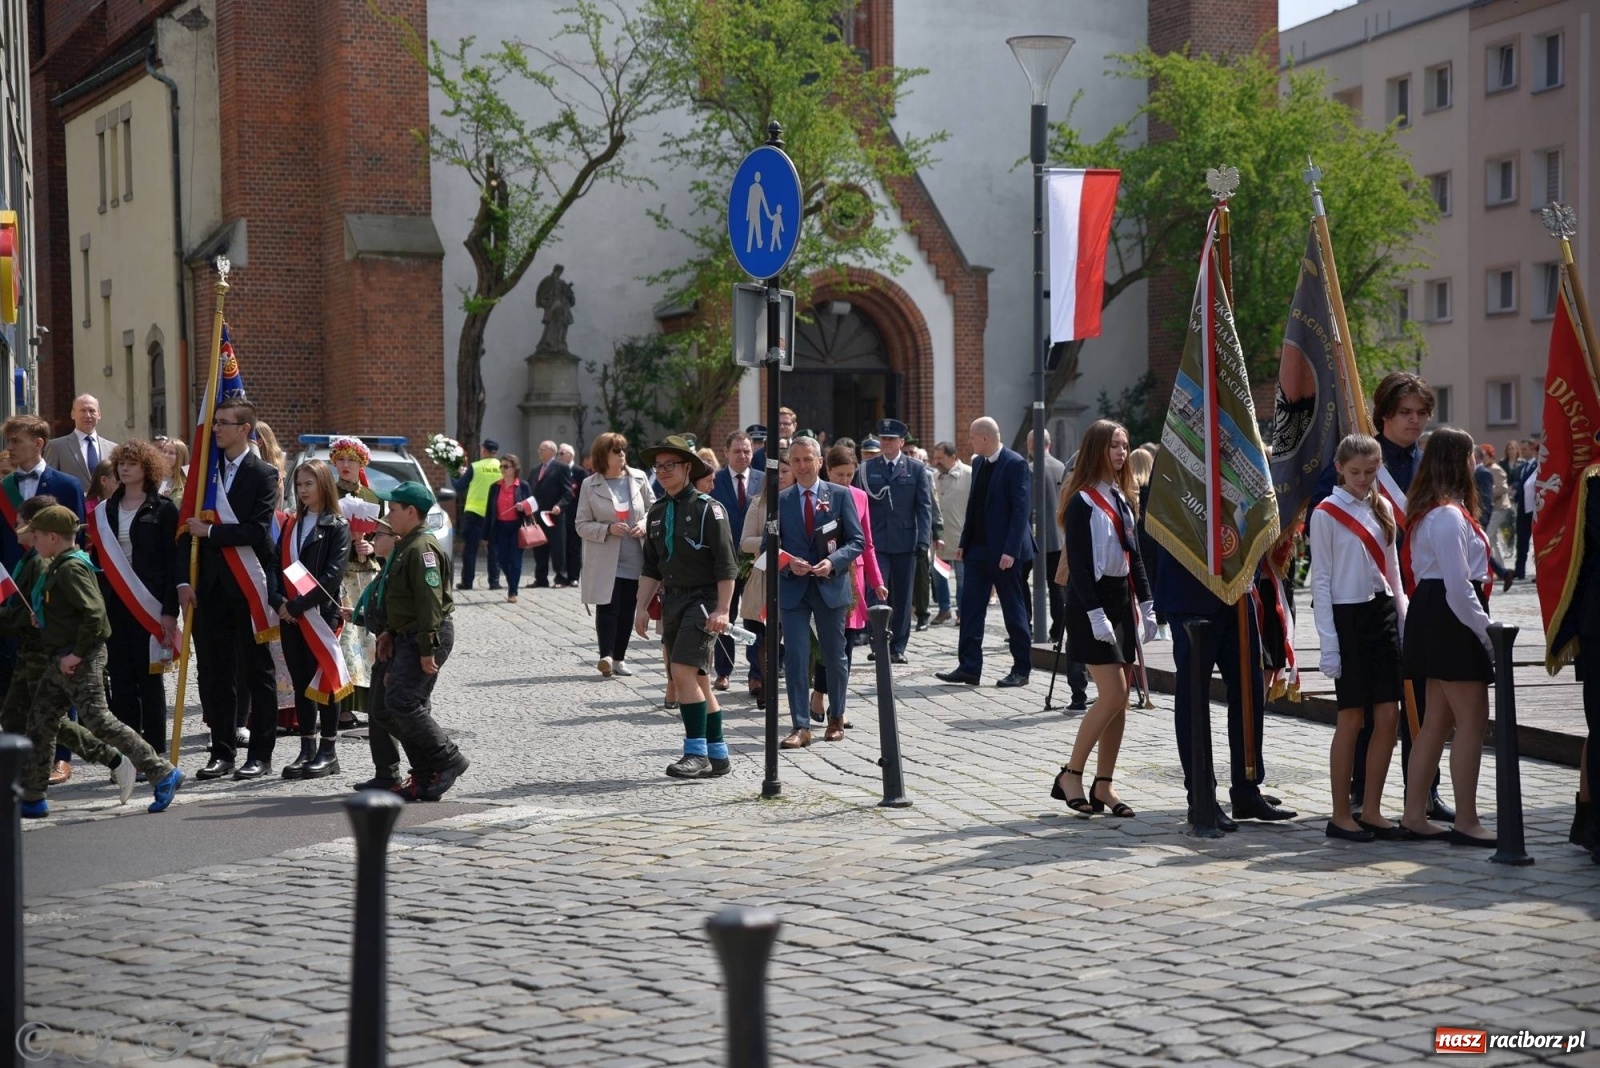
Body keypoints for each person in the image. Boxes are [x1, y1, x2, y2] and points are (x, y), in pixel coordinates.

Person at [1311, 371, 1451, 823]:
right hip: (1360, 605)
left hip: (1415, 595)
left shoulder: (1431, 463)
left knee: (1422, 703)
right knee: (1362, 713)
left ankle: (1423, 792)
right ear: (1385, 415)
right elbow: (1325, 567)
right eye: (1405, 413)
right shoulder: (1363, 462)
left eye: (1421, 414)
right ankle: (1357, 798)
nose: (1414, 422)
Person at [15, 504, 184, 818]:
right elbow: (71, 611)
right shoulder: (59, 564)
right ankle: (33, 796)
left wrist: (76, 655)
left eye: (36, 536)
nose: (32, 541)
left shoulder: (71, 568)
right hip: (62, 657)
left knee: (100, 721)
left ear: (52, 537)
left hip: (81, 658)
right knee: (40, 721)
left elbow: (95, 616)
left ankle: (162, 772)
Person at [1, 495, 140, 811]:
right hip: (28, 652)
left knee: (50, 719)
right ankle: (20, 777)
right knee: (14, 714)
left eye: (22, 523)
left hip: (43, 652)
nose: (17, 528)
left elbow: (35, 614)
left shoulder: (43, 562)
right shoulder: (29, 559)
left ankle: (113, 757)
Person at [1398, 427, 1497, 845]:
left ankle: (1414, 813)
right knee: (1472, 720)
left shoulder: (1435, 513)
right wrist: (1490, 636)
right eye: (1471, 456)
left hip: (1436, 611)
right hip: (1451, 614)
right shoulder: (1449, 516)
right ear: (1460, 460)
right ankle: (1467, 819)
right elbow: (1459, 587)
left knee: (1437, 720)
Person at [1048, 419, 1152, 817]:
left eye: (1125, 445)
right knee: (1113, 694)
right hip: (1089, 602)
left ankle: (1104, 784)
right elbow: (1080, 562)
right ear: (1097, 450)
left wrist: (1147, 603)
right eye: (1113, 446)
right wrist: (1094, 613)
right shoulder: (1083, 501)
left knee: (1120, 702)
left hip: (1120, 599)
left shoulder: (1122, 498)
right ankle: (1070, 774)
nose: (1121, 453)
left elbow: (1134, 555)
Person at [178, 399, 282, 780]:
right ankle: (221, 752)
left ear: (245, 430)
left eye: (224, 423)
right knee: (214, 674)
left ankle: (260, 755)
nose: (216, 429)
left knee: (257, 672)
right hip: (209, 588)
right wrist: (184, 582)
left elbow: (257, 531)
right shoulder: (203, 474)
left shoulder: (264, 474)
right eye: (215, 422)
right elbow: (184, 530)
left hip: (249, 584)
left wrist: (213, 532)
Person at [1311, 434, 1408, 842]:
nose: (1363, 479)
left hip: (1382, 611)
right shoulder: (1326, 513)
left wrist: (1403, 621)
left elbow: (1394, 571)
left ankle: (1372, 808)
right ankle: (1340, 814)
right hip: (1348, 617)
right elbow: (1321, 581)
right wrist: (1328, 643)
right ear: (1340, 468)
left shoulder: (1383, 506)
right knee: (1351, 718)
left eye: (1370, 472)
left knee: (1389, 715)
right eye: (1355, 473)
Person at [632, 436, 738, 778]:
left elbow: (726, 565)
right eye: (658, 466)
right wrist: (641, 607)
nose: (662, 472)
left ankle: (696, 753)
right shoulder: (658, 512)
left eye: (670, 465)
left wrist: (723, 609)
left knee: (681, 674)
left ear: (687, 468)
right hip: (673, 599)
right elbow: (652, 566)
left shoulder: (710, 509)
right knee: (698, 680)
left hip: (704, 601)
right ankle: (717, 753)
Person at [366, 481, 469, 800]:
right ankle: (425, 772)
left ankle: (447, 758)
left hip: (426, 634)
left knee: (403, 701)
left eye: (394, 510)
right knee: (386, 707)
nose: (388, 515)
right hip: (407, 634)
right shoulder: (407, 544)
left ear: (411, 512)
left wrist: (427, 648)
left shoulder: (421, 548)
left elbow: (429, 603)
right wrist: (389, 632)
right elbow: (403, 601)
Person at [2, 415, 88, 786]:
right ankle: (20, 754)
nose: (10, 448)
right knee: (13, 678)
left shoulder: (67, 485)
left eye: (17, 440)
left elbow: (77, 539)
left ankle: (61, 759)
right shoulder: (4, 486)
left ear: (39, 443)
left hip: (52, 591)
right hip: (13, 590)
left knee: (57, 676)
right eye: (8, 441)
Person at [90, 439, 180, 758]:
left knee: (150, 681)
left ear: (148, 469)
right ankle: (130, 753)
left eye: (132, 463)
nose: (124, 468)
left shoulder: (165, 509)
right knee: (122, 682)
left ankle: (154, 753)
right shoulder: (105, 510)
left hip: (150, 606)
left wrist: (170, 610)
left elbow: (174, 564)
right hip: (114, 605)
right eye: (121, 463)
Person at [775, 437, 865, 748]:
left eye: (807, 460)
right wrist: (788, 563)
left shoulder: (839, 495)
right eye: (795, 460)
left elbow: (856, 541)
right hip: (794, 589)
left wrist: (832, 561)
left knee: (835, 656)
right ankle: (800, 725)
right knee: (797, 656)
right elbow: (766, 547)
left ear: (819, 462)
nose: (801, 466)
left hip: (830, 586)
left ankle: (836, 717)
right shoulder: (781, 500)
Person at [936, 417, 1033, 688]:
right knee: (970, 607)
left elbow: (1021, 511)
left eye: (972, 437)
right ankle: (969, 667)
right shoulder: (978, 463)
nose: (969, 442)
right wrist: (965, 542)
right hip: (978, 550)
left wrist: (1010, 550)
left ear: (986, 439)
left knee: (1014, 610)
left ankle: (1021, 668)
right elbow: (974, 506)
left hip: (1005, 552)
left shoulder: (1015, 464)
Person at [273, 459, 352, 780]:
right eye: (299, 485)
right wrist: (278, 601)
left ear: (324, 486)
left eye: (310, 484)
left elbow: (332, 576)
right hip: (290, 616)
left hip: (319, 615)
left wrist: (298, 605)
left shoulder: (337, 526)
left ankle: (328, 751)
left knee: (324, 682)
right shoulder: (291, 524)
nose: (304, 490)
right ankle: (306, 748)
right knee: (301, 682)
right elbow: (274, 567)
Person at [806, 445, 887, 729]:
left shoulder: (860, 497)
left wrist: (877, 581)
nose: (845, 481)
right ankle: (818, 693)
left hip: (854, 578)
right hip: (826, 575)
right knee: (827, 642)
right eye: (840, 475)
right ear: (827, 470)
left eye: (850, 475)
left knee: (847, 643)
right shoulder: (820, 496)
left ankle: (837, 707)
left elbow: (867, 542)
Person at [577, 433, 653, 677]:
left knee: (628, 608)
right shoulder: (590, 484)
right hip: (604, 557)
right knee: (608, 606)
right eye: (616, 450)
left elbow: (655, 510)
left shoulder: (639, 478)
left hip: (635, 555)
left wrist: (644, 524)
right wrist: (607, 529)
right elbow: (581, 524)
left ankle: (619, 658)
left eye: (623, 450)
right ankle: (606, 656)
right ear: (603, 456)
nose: (622, 455)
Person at [861, 419, 932, 663]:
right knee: (876, 592)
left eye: (891, 440)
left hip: (905, 542)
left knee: (902, 596)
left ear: (901, 442)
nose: (886, 443)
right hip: (876, 542)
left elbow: (924, 507)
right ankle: (878, 642)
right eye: (883, 439)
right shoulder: (867, 469)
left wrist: (924, 540)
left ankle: (898, 646)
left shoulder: (915, 468)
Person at [330, 436, 381, 727]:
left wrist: (371, 547)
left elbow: (386, 538)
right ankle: (344, 706)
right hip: (341, 575)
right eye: (341, 459)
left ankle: (375, 703)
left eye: (352, 460)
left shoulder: (373, 499)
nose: (346, 465)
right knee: (346, 639)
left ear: (361, 462)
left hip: (367, 575)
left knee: (370, 638)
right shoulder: (328, 493)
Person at [738, 452, 792, 707]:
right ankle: (765, 686)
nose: (780, 477)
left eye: (784, 471)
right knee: (765, 637)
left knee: (790, 636)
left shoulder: (803, 501)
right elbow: (744, 542)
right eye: (775, 472)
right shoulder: (759, 503)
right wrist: (767, 543)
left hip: (796, 578)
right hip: (765, 579)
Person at [710, 430, 762, 692]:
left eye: (747, 451)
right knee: (724, 615)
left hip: (756, 562)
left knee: (754, 617)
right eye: (738, 451)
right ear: (726, 453)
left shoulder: (764, 481)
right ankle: (724, 670)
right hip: (725, 560)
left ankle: (756, 673)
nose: (743, 456)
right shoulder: (715, 481)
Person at [1025, 430, 1068, 643]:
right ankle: (1058, 630)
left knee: (1020, 580)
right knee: (1057, 585)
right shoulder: (1062, 467)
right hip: (1059, 537)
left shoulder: (1029, 469)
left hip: (1034, 539)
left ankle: (1026, 623)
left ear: (1032, 445)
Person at [453, 440, 504, 590]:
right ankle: (494, 582)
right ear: (495, 452)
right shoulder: (502, 467)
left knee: (470, 549)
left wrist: (453, 474)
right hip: (495, 514)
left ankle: (467, 582)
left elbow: (459, 486)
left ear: (484, 451)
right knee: (494, 548)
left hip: (475, 513)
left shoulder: (475, 467)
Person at [486, 454, 534, 602]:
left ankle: (512, 591)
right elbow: (489, 511)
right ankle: (511, 580)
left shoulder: (523, 486)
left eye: (506, 466)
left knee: (515, 560)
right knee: (501, 559)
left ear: (514, 468)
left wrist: (522, 506)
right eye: (501, 466)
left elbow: (532, 506)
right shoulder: (495, 487)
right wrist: (486, 533)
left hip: (516, 527)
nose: (503, 469)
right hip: (500, 527)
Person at [43, 393, 117, 491]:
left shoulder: (113, 448)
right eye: (82, 411)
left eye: (92, 411)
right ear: (73, 414)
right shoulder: (56, 447)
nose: (87, 415)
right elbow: (48, 483)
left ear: (99, 415)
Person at [930, 441, 969, 626]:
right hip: (940, 538)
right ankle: (944, 609)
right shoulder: (934, 477)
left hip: (961, 537)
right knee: (939, 575)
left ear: (953, 457)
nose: (936, 462)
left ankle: (962, 611)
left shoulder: (968, 474)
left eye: (940, 458)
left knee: (962, 577)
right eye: (935, 457)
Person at [530, 440, 574, 588]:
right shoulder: (535, 470)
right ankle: (541, 578)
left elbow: (568, 492)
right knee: (539, 548)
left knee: (558, 548)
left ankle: (561, 577)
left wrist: (559, 506)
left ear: (552, 451)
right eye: (540, 448)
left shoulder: (561, 468)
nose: (539, 451)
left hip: (554, 515)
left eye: (543, 449)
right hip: (538, 515)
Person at [1474, 445, 1514, 590]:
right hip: (1481, 513)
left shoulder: (1488, 471)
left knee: (1486, 541)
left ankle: (1501, 571)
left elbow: (1492, 494)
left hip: (1496, 509)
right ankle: (1502, 572)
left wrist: (1482, 519)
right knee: (1485, 543)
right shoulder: (1477, 471)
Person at [1512, 436, 1539, 579]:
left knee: (1536, 542)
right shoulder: (1521, 467)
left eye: (1525, 449)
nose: (1522, 452)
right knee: (1521, 541)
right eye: (1521, 449)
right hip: (1522, 508)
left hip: (1534, 508)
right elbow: (1519, 483)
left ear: (1532, 449)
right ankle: (1519, 570)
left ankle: (1538, 572)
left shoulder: (1537, 466)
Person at [558, 443, 583, 583]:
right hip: (561, 515)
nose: (559, 456)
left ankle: (574, 576)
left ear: (570, 454)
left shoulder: (579, 472)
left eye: (562, 453)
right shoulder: (558, 471)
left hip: (575, 514)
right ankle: (563, 575)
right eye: (558, 454)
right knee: (563, 546)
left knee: (574, 546)